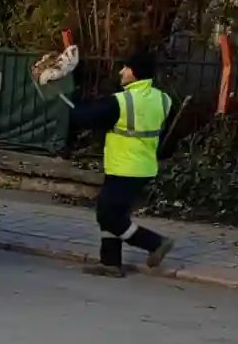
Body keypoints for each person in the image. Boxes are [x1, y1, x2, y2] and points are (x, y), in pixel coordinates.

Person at [69, 49, 176, 279]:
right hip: (144, 166)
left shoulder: (122, 101)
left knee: (108, 216)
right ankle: (110, 262)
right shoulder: (163, 100)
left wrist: (73, 102)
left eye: (126, 67)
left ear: (135, 73)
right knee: (112, 211)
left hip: (124, 167)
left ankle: (155, 243)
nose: (121, 71)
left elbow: (84, 118)